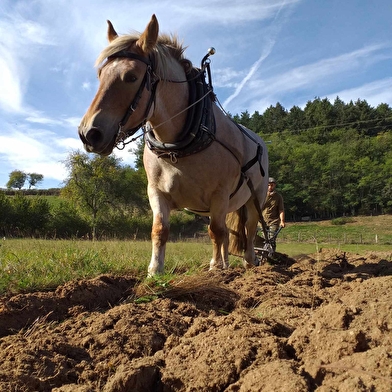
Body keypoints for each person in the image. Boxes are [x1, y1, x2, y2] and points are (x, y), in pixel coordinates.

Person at [262, 177, 285, 250]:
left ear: (274, 185)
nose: (270, 187)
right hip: (262, 221)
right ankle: (262, 255)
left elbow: (281, 210)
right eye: (268, 185)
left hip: (273, 221)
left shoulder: (278, 197)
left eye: (272, 185)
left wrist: (282, 221)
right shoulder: (262, 195)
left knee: (271, 240)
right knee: (264, 239)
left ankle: (272, 255)